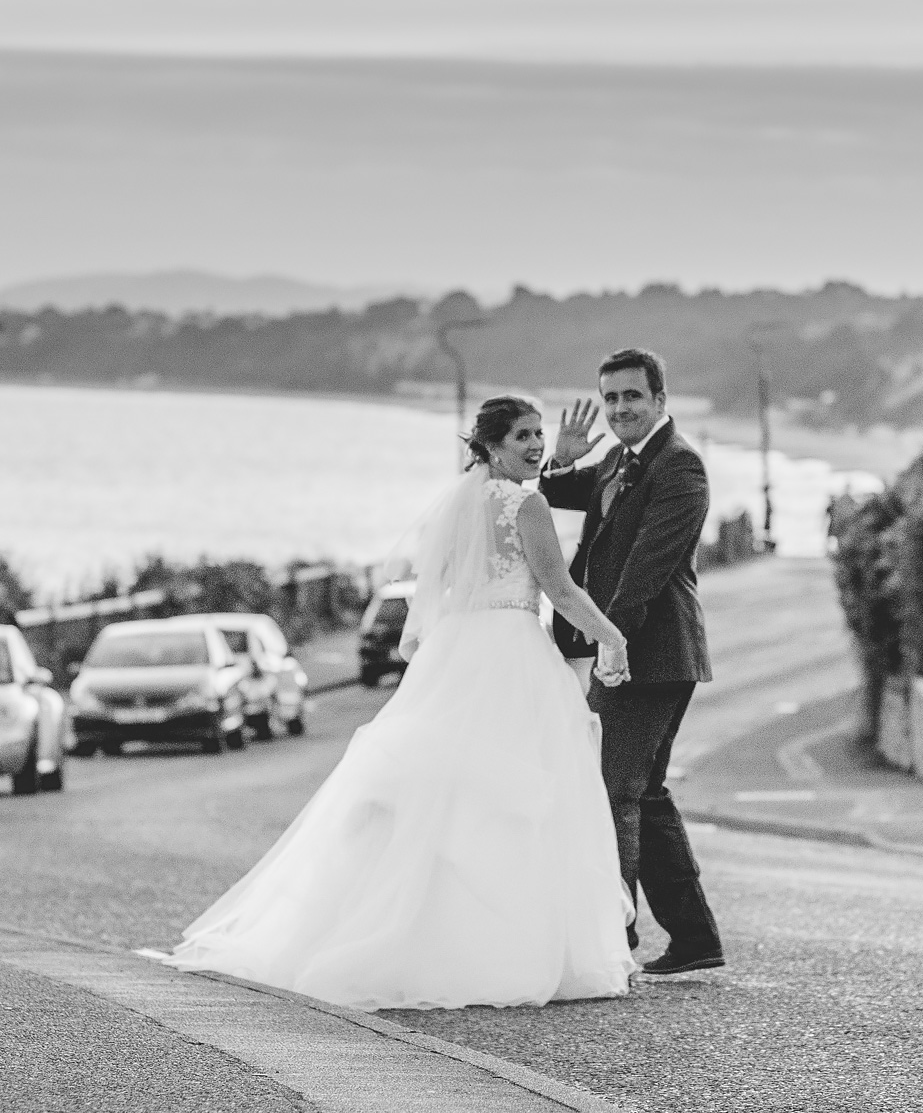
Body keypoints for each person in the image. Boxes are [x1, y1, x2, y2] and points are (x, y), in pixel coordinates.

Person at [167, 396, 635, 1011]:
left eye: (538, 434)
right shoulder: (530, 504)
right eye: (523, 435)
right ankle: (495, 947)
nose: (536, 445)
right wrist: (612, 636)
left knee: (449, 794)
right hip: (511, 653)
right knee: (512, 795)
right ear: (492, 445)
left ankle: (424, 937)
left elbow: (437, 591)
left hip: (458, 650)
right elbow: (561, 589)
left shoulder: (461, 502)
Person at [541, 347, 723, 977]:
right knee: (641, 793)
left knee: (608, 789)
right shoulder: (618, 460)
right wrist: (560, 460)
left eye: (631, 397)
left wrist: (609, 643)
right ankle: (695, 939)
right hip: (628, 646)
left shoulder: (680, 469)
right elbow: (556, 493)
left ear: (660, 400)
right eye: (610, 397)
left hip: (653, 651)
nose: (620, 408)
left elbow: (647, 569)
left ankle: (611, 939)